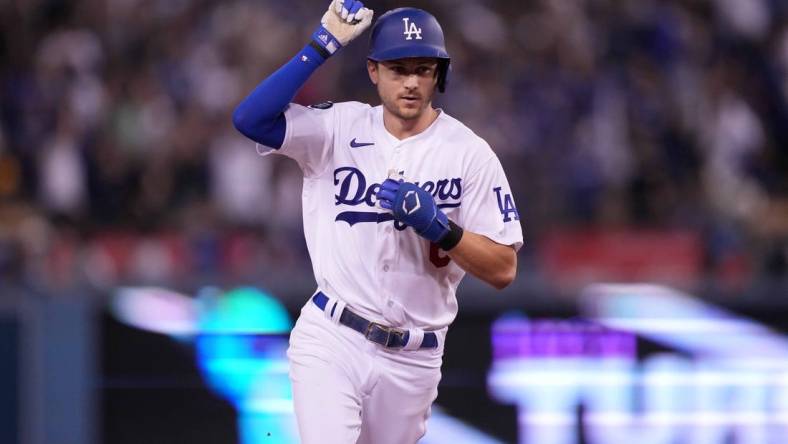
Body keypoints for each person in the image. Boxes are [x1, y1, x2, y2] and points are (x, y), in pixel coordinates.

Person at [232, 1, 523, 442]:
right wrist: (321, 44)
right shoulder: (336, 127)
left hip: (414, 358)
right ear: (373, 71)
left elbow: (503, 268)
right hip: (333, 337)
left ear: (438, 74)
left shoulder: (469, 153)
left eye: (422, 69)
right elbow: (250, 119)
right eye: (397, 68)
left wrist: (441, 227)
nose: (410, 82)